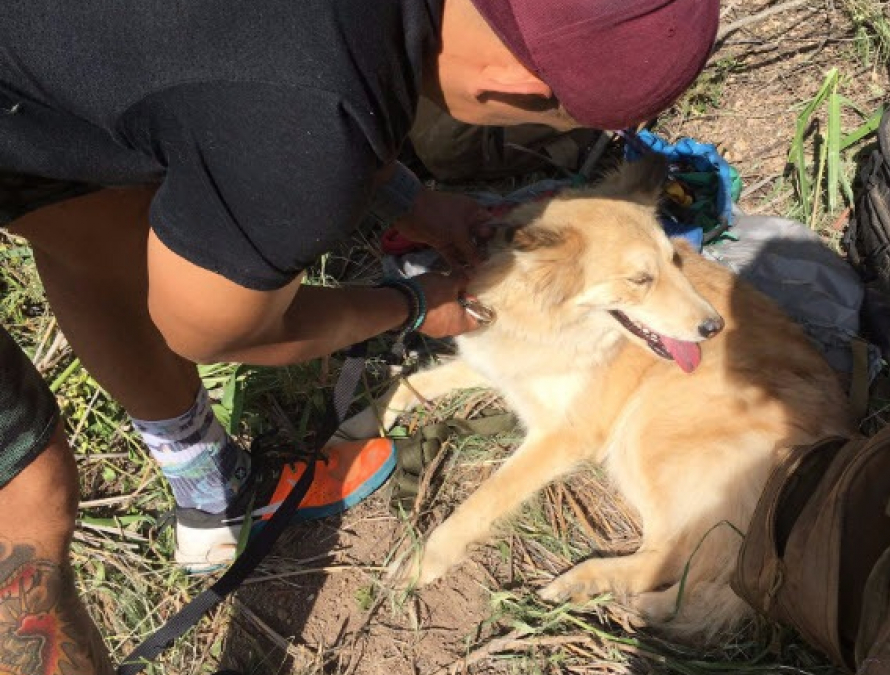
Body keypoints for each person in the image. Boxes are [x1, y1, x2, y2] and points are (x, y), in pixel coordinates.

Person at [0, 0, 719, 669]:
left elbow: (304, 69)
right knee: (20, 509)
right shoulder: (307, 122)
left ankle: (208, 485)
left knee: (87, 227)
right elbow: (210, 329)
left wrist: (416, 197)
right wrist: (411, 305)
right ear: (515, 88)